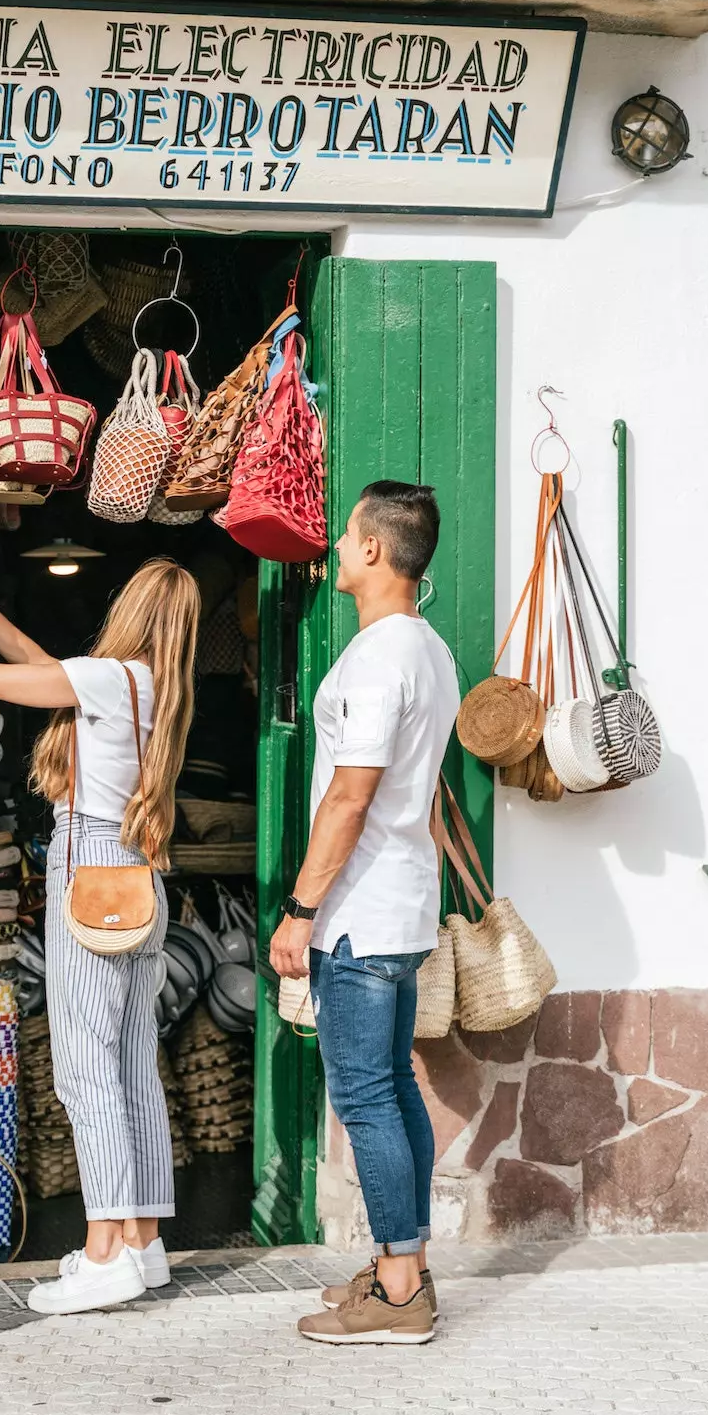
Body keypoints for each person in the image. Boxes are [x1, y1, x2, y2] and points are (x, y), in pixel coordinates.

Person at [0, 532, 201, 1316]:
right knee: (134, 1066)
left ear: (129, 612)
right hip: (142, 876)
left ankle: (104, 1251)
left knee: (85, 1071)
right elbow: (41, 667)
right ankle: (142, 1242)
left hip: (92, 872)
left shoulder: (112, 677)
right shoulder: (149, 687)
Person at [269, 482, 460, 1345]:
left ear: (376, 551)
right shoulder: (429, 651)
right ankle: (404, 1271)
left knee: (364, 1097)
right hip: (401, 904)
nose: (338, 545)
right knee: (393, 1092)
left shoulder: (383, 657)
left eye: (348, 534)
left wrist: (301, 909)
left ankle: (395, 1292)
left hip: (359, 913)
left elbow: (350, 796)